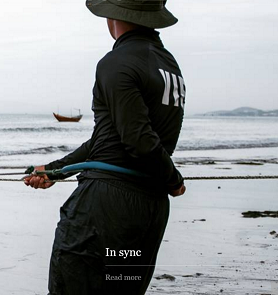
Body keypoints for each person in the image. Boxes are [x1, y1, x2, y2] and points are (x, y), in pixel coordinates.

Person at [24, 1, 186, 294]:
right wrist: (54, 171)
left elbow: (138, 140)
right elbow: (109, 138)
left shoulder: (116, 62)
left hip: (105, 209)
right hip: (149, 210)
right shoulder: (169, 64)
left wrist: (173, 179)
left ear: (113, 15)